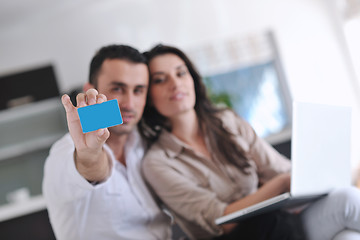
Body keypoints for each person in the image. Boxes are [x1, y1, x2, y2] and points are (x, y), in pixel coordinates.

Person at [139, 44, 360, 240]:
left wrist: (316, 175)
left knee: (348, 235)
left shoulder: (226, 121)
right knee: (348, 201)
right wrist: (281, 184)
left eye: (181, 73)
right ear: (149, 96)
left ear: (193, 80)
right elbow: (220, 220)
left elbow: (278, 168)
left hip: (281, 227)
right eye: (160, 79)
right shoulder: (157, 162)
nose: (175, 84)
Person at [42, 45, 172, 240]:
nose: (129, 103)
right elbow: (89, 167)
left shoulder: (144, 142)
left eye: (138, 90)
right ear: (89, 91)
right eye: (118, 88)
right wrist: (90, 153)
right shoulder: (65, 151)